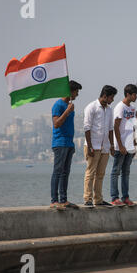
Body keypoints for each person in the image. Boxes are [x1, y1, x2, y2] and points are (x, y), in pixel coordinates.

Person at [83, 85, 118, 208]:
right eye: (112, 97)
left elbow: (110, 129)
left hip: (105, 146)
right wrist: (90, 146)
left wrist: (112, 145)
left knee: (100, 174)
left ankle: (98, 199)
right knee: (90, 172)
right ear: (105, 96)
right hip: (93, 145)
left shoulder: (109, 110)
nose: (112, 100)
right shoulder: (91, 107)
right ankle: (87, 198)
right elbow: (87, 127)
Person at [50, 80, 82, 211]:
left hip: (69, 143)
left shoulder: (70, 105)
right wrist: (67, 111)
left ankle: (63, 200)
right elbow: (56, 123)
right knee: (57, 172)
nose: (77, 95)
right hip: (60, 143)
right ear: (70, 91)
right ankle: (54, 200)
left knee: (65, 173)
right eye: (76, 92)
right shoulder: (58, 105)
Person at [110, 84, 137, 207]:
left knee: (126, 172)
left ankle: (125, 197)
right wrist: (120, 145)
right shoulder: (119, 107)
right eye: (135, 94)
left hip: (129, 146)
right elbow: (116, 127)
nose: (136, 96)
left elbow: (132, 125)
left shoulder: (132, 108)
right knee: (116, 172)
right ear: (128, 94)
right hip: (120, 146)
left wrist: (133, 141)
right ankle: (114, 197)